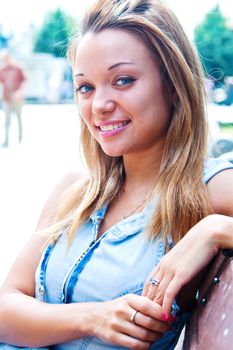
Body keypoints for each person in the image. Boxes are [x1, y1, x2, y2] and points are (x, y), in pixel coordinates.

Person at [0, 0, 233, 349]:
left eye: (123, 80)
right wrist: (92, 317)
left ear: (173, 85)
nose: (99, 105)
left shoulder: (206, 188)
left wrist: (215, 229)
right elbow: (7, 307)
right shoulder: (75, 190)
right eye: (85, 87)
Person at [0, 50, 26, 147]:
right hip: (6, 98)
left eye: (5, 59)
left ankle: (20, 139)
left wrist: (19, 92)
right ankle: (6, 140)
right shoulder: (2, 70)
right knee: (7, 119)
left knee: (18, 118)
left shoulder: (18, 68)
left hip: (17, 98)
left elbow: (24, 80)